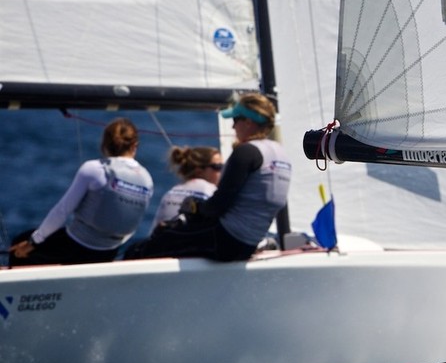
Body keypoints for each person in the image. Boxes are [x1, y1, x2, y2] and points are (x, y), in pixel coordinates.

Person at [127, 93, 291, 262]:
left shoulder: (246, 152)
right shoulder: (281, 154)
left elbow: (217, 206)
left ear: (248, 122)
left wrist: (194, 209)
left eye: (235, 120)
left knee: (140, 249)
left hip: (225, 241)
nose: (233, 127)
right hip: (248, 244)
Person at [9, 117, 154, 266]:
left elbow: (62, 211)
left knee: (19, 243)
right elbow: (130, 224)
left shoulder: (94, 169)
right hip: (109, 251)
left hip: (75, 246)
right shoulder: (147, 179)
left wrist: (33, 242)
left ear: (104, 143)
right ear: (135, 145)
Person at [146, 146, 223, 233]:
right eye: (218, 167)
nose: (223, 171)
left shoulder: (171, 193)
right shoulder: (211, 192)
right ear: (199, 171)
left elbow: (153, 232)